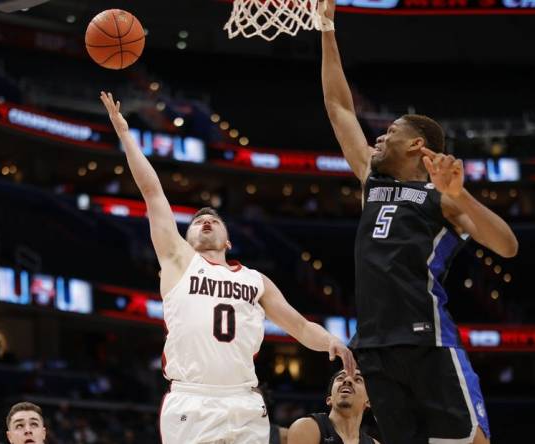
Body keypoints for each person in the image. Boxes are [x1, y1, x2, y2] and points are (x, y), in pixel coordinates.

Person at [100, 91, 355, 444]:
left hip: (245, 400)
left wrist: (331, 342)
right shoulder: (178, 261)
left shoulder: (256, 280)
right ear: (185, 239)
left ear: (229, 241)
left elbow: (297, 324)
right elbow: (152, 193)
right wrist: (125, 135)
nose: (206, 221)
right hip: (193, 397)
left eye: (214, 220)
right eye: (198, 221)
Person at [318, 2, 519, 442]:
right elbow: (338, 108)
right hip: (373, 347)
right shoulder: (371, 182)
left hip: (428, 341)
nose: (379, 137)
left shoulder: (442, 200)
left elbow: (507, 245)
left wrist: (458, 193)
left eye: (389, 132)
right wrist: (327, 27)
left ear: (415, 145)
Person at [287, 369, 378, 444]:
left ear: (368, 402)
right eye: (340, 378)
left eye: (358, 379)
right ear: (329, 399)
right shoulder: (306, 428)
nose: (347, 380)